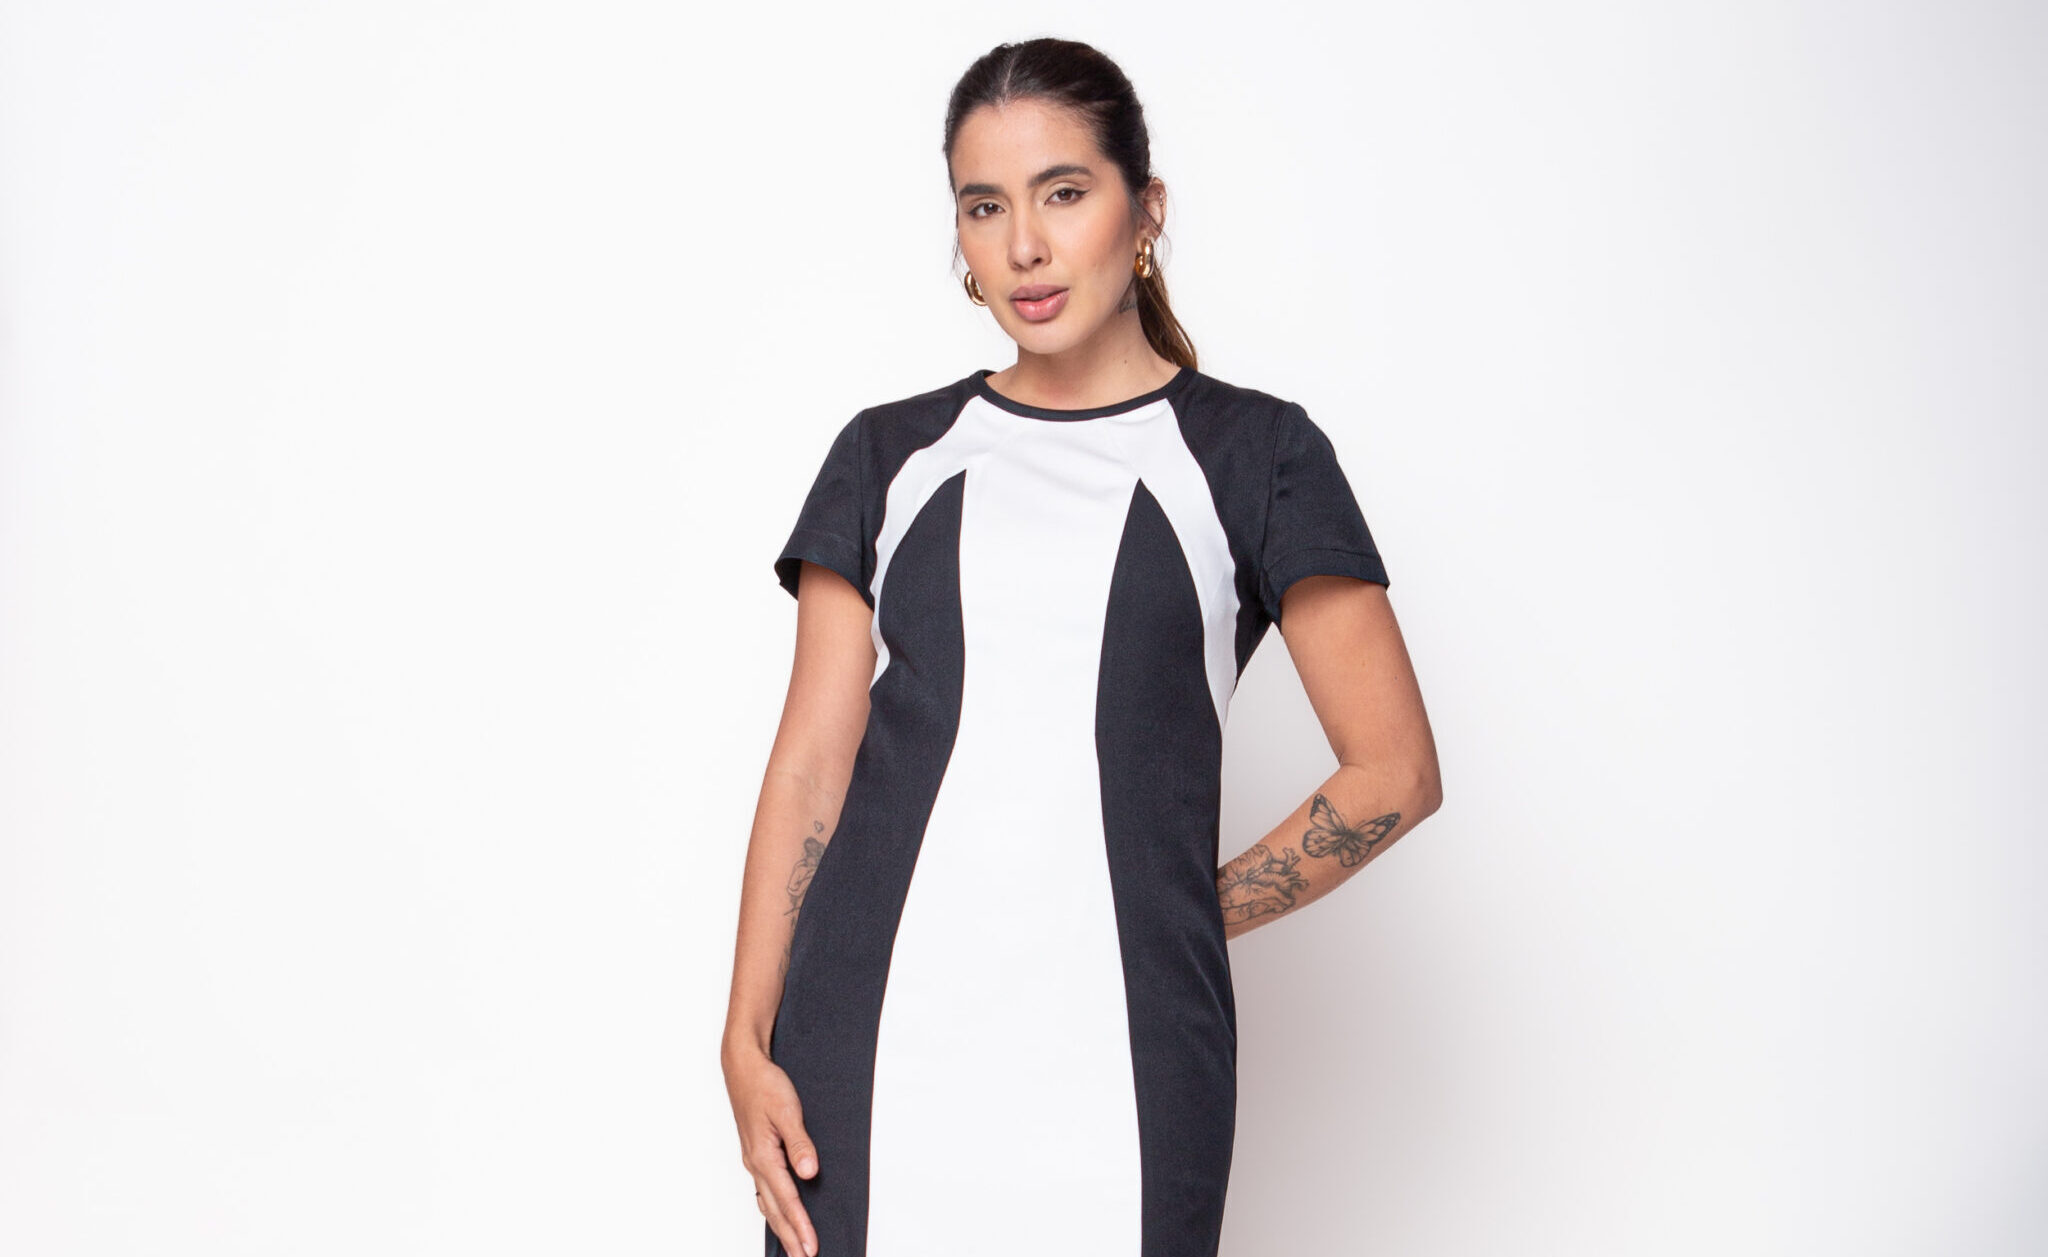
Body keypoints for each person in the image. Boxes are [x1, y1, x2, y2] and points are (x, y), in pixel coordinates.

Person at [721, 36, 1441, 1257]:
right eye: (983, 206)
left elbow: (1395, 772)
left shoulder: (1253, 455)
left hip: (1128, 1041)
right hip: (869, 1033)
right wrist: (745, 1041)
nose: (1024, 246)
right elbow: (808, 769)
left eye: (1062, 192)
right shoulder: (888, 454)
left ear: (1144, 209)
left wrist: (1173, 914)